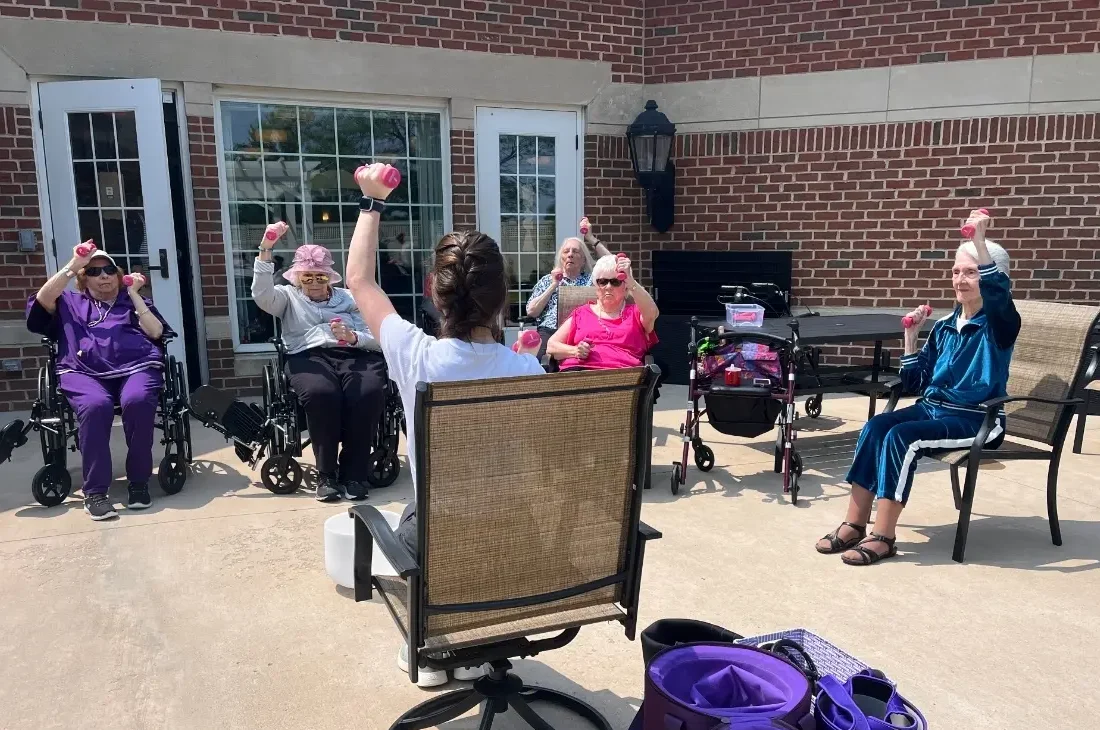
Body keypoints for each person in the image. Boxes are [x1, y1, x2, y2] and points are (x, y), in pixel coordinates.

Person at [345, 163, 545, 687]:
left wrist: (373, 201)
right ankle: (475, 641)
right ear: (502, 297)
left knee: (419, 516)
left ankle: (431, 649)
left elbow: (359, 280)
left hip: (439, 539)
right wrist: (525, 357)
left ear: (435, 290)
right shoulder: (528, 368)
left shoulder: (416, 355)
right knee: (490, 508)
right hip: (520, 543)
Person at [816, 209, 1020, 565]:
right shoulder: (944, 326)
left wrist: (980, 242)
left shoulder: (1000, 323)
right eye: (956, 271)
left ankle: (884, 536)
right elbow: (915, 383)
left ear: (992, 276)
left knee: (901, 437)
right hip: (933, 409)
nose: (960, 280)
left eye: (971, 272)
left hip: (976, 419)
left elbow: (1000, 296)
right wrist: (911, 339)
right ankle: (854, 522)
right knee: (876, 426)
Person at [25, 245, 172, 520]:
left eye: (109, 270)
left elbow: (156, 332)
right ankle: (95, 493)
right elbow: (43, 299)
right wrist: (72, 265)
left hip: (136, 368)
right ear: (84, 279)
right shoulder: (68, 302)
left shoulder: (134, 303)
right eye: (94, 271)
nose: (103, 276)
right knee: (95, 406)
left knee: (138, 400)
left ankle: (139, 482)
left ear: (118, 275)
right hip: (82, 371)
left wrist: (133, 294)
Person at [252, 224, 387, 502]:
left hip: (355, 354)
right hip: (308, 356)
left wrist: (353, 337)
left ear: (330, 277)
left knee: (368, 392)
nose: (314, 282)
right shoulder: (287, 297)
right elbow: (261, 295)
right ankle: (326, 475)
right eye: (307, 277)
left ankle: (354, 474)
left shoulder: (351, 299)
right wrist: (266, 249)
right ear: (298, 278)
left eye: (320, 276)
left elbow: (378, 337)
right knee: (321, 393)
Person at [545, 253, 660, 371]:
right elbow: (551, 345)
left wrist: (631, 281)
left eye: (615, 282)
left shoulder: (635, 313)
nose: (608, 287)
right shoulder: (581, 313)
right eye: (603, 281)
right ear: (596, 287)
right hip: (579, 373)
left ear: (626, 288)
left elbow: (653, 313)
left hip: (623, 374)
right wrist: (575, 351)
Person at [524, 219, 611, 359]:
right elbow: (532, 312)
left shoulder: (591, 280)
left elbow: (612, 263)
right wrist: (553, 285)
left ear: (583, 260)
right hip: (550, 330)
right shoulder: (547, 280)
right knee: (539, 363)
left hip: (582, 331)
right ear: (561, 258)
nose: (570, 254)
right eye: (566, 251)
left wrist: (590, 237)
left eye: (575, 251)